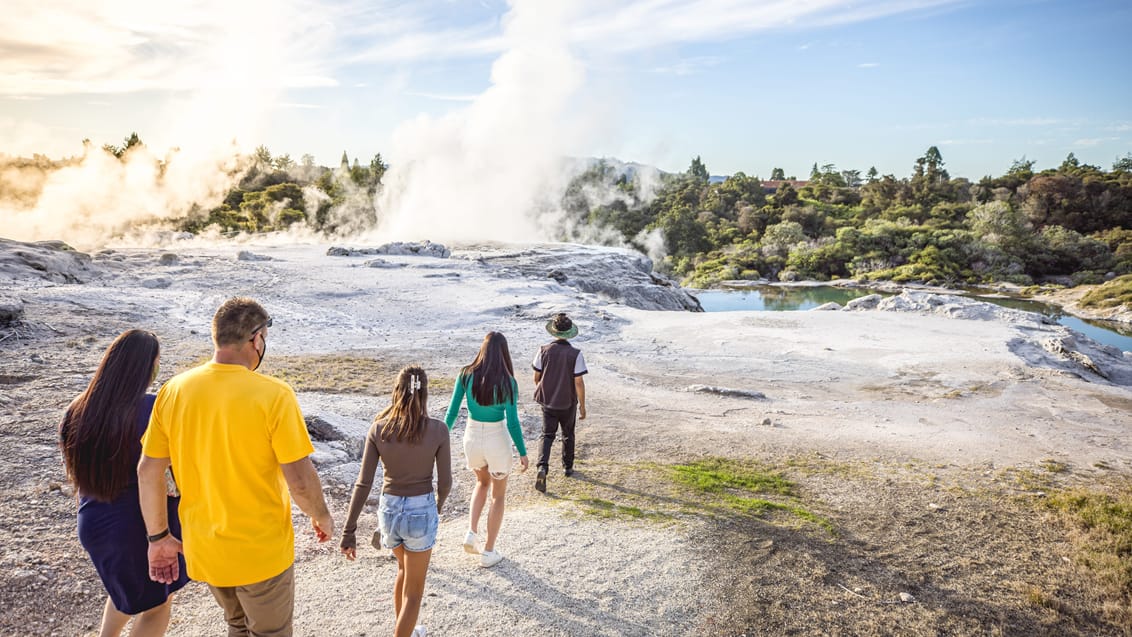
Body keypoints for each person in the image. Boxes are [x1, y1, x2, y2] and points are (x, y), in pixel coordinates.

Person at [138, 297, 334, 637]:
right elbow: (299, 479)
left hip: (206, 550)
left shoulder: (174, 390)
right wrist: (321, 515)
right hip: (260, 552)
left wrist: (158, 537)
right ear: (256, 339)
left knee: (237, 624)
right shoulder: (274, 395)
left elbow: (148, 471)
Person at [60, 329, 188, 637]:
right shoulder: (153, 410)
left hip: (93, 522)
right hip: (141, 525)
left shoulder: (77, 408)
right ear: (146, 367)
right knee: (158, 604)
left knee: (123, 593)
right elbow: (172, 472)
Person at [341, 366, 451, 637]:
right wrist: (436, 508)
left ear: (397, 391)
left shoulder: (378, 429)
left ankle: (408, 631)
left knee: (402, 570)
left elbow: (363, 483)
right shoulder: (438, 430)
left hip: (389, 511)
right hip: (420, 510)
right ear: (424, 393)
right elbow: (445, 482)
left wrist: (349, 530)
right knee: (414, 592)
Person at [444, 331, 529, 568]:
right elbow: (512, 422)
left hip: (471, 436)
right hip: (496, 438)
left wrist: (439, 437)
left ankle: (471, 533)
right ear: (504, 353)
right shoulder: (509, 382)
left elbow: (451, 412)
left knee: (481, 483)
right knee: (498, 495)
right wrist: (522, 452)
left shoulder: (466, 375)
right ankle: (489, 551)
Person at [532, 313, 588, 493]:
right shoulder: (575, 354)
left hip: (548, 402)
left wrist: (547, 389)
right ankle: (567, 467)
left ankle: (542, 467)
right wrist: (582, 405)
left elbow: (536, 377)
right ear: (570, 332)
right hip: (568, 401)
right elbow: (578, 381)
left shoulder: (543, 350)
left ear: (553, 331)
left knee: (547, 434)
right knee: (568, 433)